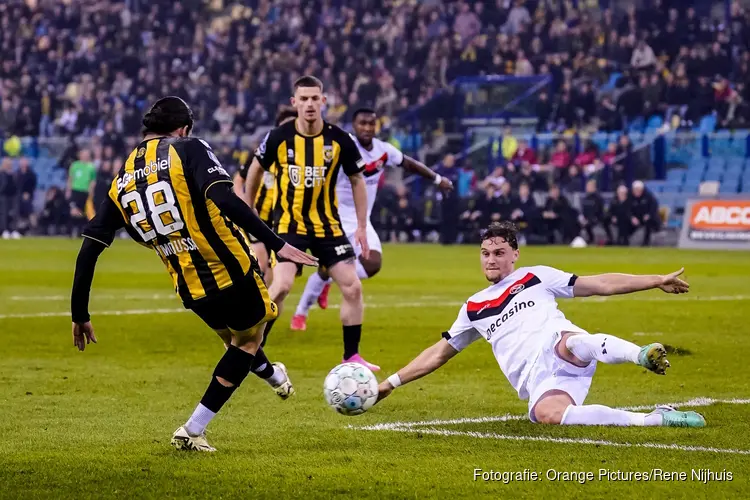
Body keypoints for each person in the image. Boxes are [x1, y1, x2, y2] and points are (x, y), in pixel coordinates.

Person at [70, 96, 318, 452]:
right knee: (248, 342)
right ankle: (192, 429)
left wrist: (80, 313)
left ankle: (275, 376)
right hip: (230, 271)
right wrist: (277, 243)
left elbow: (90, 248)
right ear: (183, 127)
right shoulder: (189, 148)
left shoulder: (121, 178)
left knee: (236, 343)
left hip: (189, 286)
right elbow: (226, 198)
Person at [374, 221, 706, 429]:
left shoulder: (535, 276)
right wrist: (388, 384)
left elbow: (600, 284)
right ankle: (655, 418)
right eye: (485, 253)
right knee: (550, 416)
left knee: (572, 341)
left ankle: (641, 354)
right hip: (539, 378)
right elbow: (438, 354)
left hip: (560, 346)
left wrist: (654, 280)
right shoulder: (473, 308)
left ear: (515, 254)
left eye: (499, 252)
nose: (491, 259)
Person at [244, 76, 375, 370]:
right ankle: (253, 350)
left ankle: (351, 355)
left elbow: (358, 180)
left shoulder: (339, 139)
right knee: (280, 287)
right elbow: (253, 171)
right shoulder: (278, 137)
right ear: (294, 103)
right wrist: (249, 211)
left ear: (323, 101)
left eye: (315, 98)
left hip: (329, 228)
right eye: (303, 99)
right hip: (290, 228)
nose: (310, 104)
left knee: (352, 288)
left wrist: (363, 226)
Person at [290, 108, 453, 332]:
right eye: (362, 124)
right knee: (329, 266)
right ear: (354, 126)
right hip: (335, 217)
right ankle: (300, 313)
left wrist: (437, 179)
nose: (366, 128)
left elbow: (408, 163)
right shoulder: (344, 144)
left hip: (361, 219)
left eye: (371, 124)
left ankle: (328, 278)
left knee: (372, 264)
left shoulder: (382, 151)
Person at [235, 107, 298, 284]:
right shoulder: (263, 152)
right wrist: (245, 203)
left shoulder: (301, 158)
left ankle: (268, 306)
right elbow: (239, 179)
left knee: (272, 271)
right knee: (262, 262)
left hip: (280, 221)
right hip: (257, 217)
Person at [579, 179, 613, 244]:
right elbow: (583, 211)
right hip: (587, 220)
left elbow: (599, 211)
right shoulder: (586, 198)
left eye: (589, 186)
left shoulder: (598, 198)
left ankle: (593, 239)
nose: (587, 187)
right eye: (587, 186)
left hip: (596, 220)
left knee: (588, 225)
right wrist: (583, 218)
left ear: (594, 187)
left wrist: (590, 219)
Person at [629, 180, 660, 246]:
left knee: (648, 223)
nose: (636, 191)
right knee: (625, 223)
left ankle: (646, 243)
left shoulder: (649, 196)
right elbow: (627, 209)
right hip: (636, 219)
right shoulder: (630, 197)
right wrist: (632, 217)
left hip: (649, 218)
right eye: (635, 189)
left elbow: (654, 207)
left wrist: (649, 215)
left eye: (638, 189)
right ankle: (623, 241)